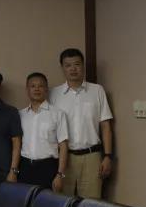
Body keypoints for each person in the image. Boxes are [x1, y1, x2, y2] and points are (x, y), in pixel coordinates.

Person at [49, 48, 114, 199]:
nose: (73, 69)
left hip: (92, 157)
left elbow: (105, 126)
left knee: (91, 204)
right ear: (62, 68)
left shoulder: (97, 90)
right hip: (64, 158)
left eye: (77, 64)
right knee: (62, 203)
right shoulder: (53, 94)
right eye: (68, 65)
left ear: (83, 65)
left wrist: (108, 156)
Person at [19, 72, 69, 191]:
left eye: (40, 86)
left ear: (46, 89)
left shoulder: (58, 114)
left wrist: (60, 174)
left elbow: (63, 146)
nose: (37, 89)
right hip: (25, 167)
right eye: (33, 86)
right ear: (27, 90)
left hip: (48, 167)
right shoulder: (20, 115)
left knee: (46, 201)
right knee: (24, 200)